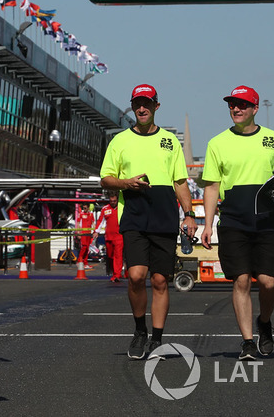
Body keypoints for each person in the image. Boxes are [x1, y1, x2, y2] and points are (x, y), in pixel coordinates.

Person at [99, 84, 196, 360]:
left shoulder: (169, 141)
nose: (141, 108)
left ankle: (156, 338)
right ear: (132, 107)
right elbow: (105, 179)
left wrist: (189, 214)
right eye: (137, 104)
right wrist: (126, 183)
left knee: (160, 281)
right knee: (136, 276)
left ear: (156, 106)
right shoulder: (119, 141)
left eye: (147, 103)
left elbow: (180, 182)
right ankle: (139, 331)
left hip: (165, 216)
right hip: (133, 214)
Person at [200, 85, 274, 360]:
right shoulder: (217, 143)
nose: (235, 109)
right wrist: (207, 223)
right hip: (233, 220)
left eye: (241, 105)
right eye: (232, 105)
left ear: (254, 108)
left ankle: (265, 322)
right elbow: (212, 186)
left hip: (265, 221)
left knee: (269, 282)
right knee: (240, 280)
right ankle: (248, 341)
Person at [94, 191, 124, 282]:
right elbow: (100, 221)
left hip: (119, 236)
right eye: (111, 201)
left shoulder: (122, 208)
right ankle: (113, 271)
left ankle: (117, 275)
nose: (113, 202)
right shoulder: (105, 209)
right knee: (110, 255)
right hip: (108, 236)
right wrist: (96, 231)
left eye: (114, 201)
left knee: (118, 256)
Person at [76, 203, 95, 269]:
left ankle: (85, 263)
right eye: (83, 208)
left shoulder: (91, 214)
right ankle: (79, 261)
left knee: (87, 248)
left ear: (88, 208)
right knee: (84, 247)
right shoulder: (80, 214)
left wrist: (95, 232)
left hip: (89, 233)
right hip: (83, 233)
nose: (84, 209)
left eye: (85, 208)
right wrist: (78, 232)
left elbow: (93, 223)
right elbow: (78, 223)